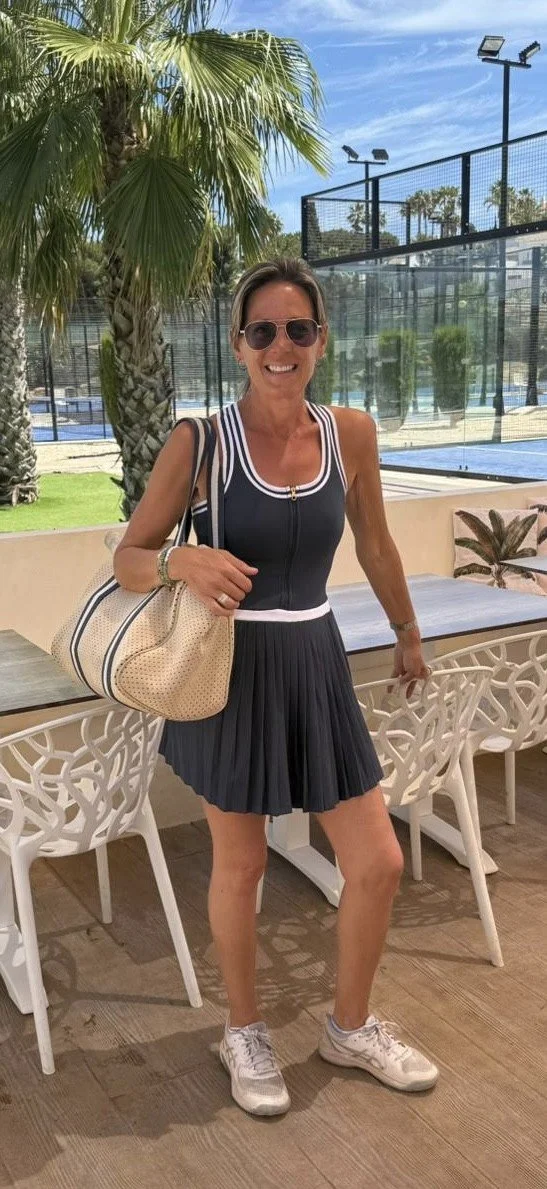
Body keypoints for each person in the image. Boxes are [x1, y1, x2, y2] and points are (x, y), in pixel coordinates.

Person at [114, 257, 439, 1117]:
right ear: (239, 345)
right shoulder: (201, 441)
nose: (281, 345)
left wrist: (407, 632)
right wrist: (179, 556)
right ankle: (244, 1029)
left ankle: (350, 1024)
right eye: (263, 331)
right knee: (244, 858)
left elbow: (374, 545)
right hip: (231, 671)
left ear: (320, 342)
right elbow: (126, 557)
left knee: (376, 859)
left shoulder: (351, 434)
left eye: (298, 329)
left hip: (315, 660)